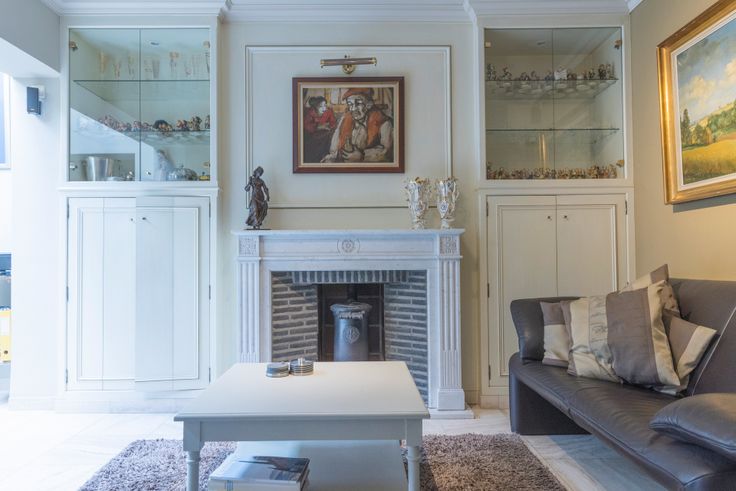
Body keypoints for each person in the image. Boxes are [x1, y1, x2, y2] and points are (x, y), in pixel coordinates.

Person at [321, 87, 393, 163]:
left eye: (358, 103)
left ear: (369, 105)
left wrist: (363, 156)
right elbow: (334, 147)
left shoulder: (383, 122)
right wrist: (332, 157)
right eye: (350, 104)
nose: (353, 109)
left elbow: (387, 152)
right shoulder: (345, 119)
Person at [303, 96, 337, 162]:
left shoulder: (328, 111)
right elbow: (306, 126)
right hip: (312, 138)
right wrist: (318, 127)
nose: (324, 108)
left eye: (325, 105)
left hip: (325, 136)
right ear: (315, 107)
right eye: (321, 106)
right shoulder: (311, 113)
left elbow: (333, 123)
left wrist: (330, 127)